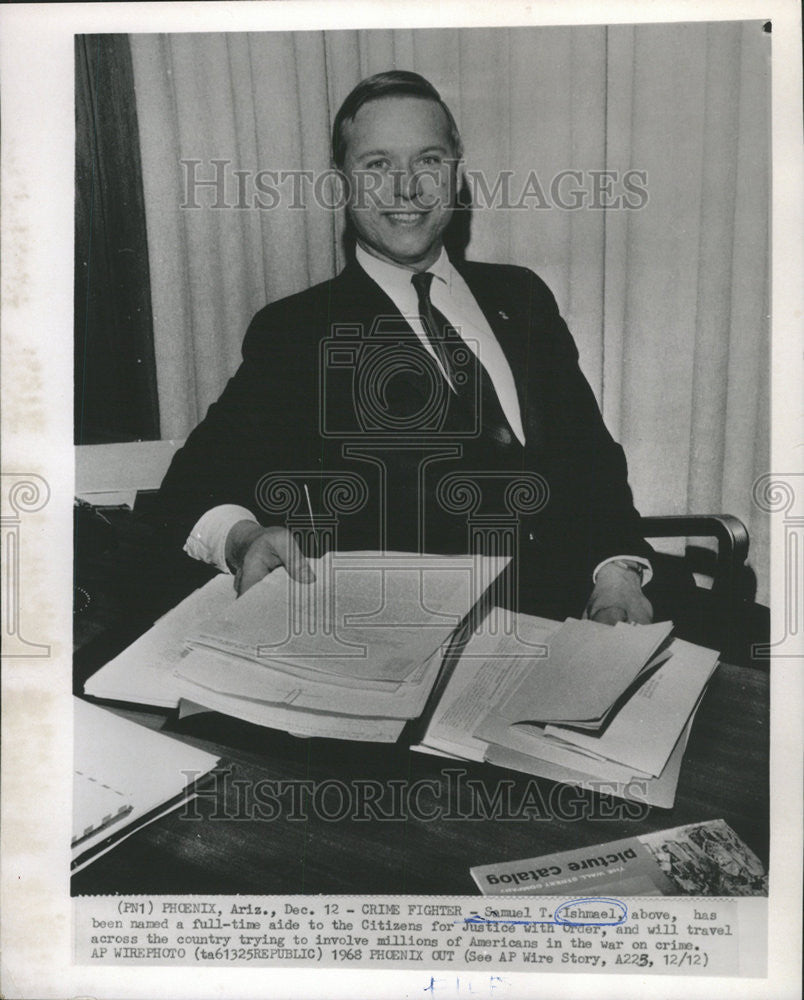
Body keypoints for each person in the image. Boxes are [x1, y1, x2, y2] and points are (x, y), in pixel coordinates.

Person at [155, 70, 663, 626]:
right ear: (341, 182)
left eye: (428, 160)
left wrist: (617, 572)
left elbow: (590, 459)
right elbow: (188, 489)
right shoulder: (296, 332)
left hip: (594, 615)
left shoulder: (522, 296)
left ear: (456, 172)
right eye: (377, 166)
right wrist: (245, 538)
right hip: (438, 641)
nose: (406, 187)